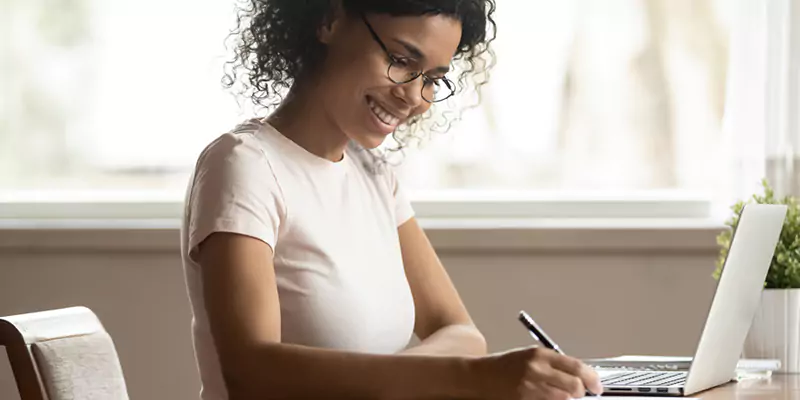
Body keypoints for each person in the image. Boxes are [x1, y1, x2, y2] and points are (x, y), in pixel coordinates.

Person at [180, 1, 603, 399]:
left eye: (433, 79)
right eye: (402, 61)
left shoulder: (373, 173)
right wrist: (468, 378)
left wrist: (397, 382)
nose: (416, 97)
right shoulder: (244, 166)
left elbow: (462, 333)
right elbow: (251, 373)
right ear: (330, 18)